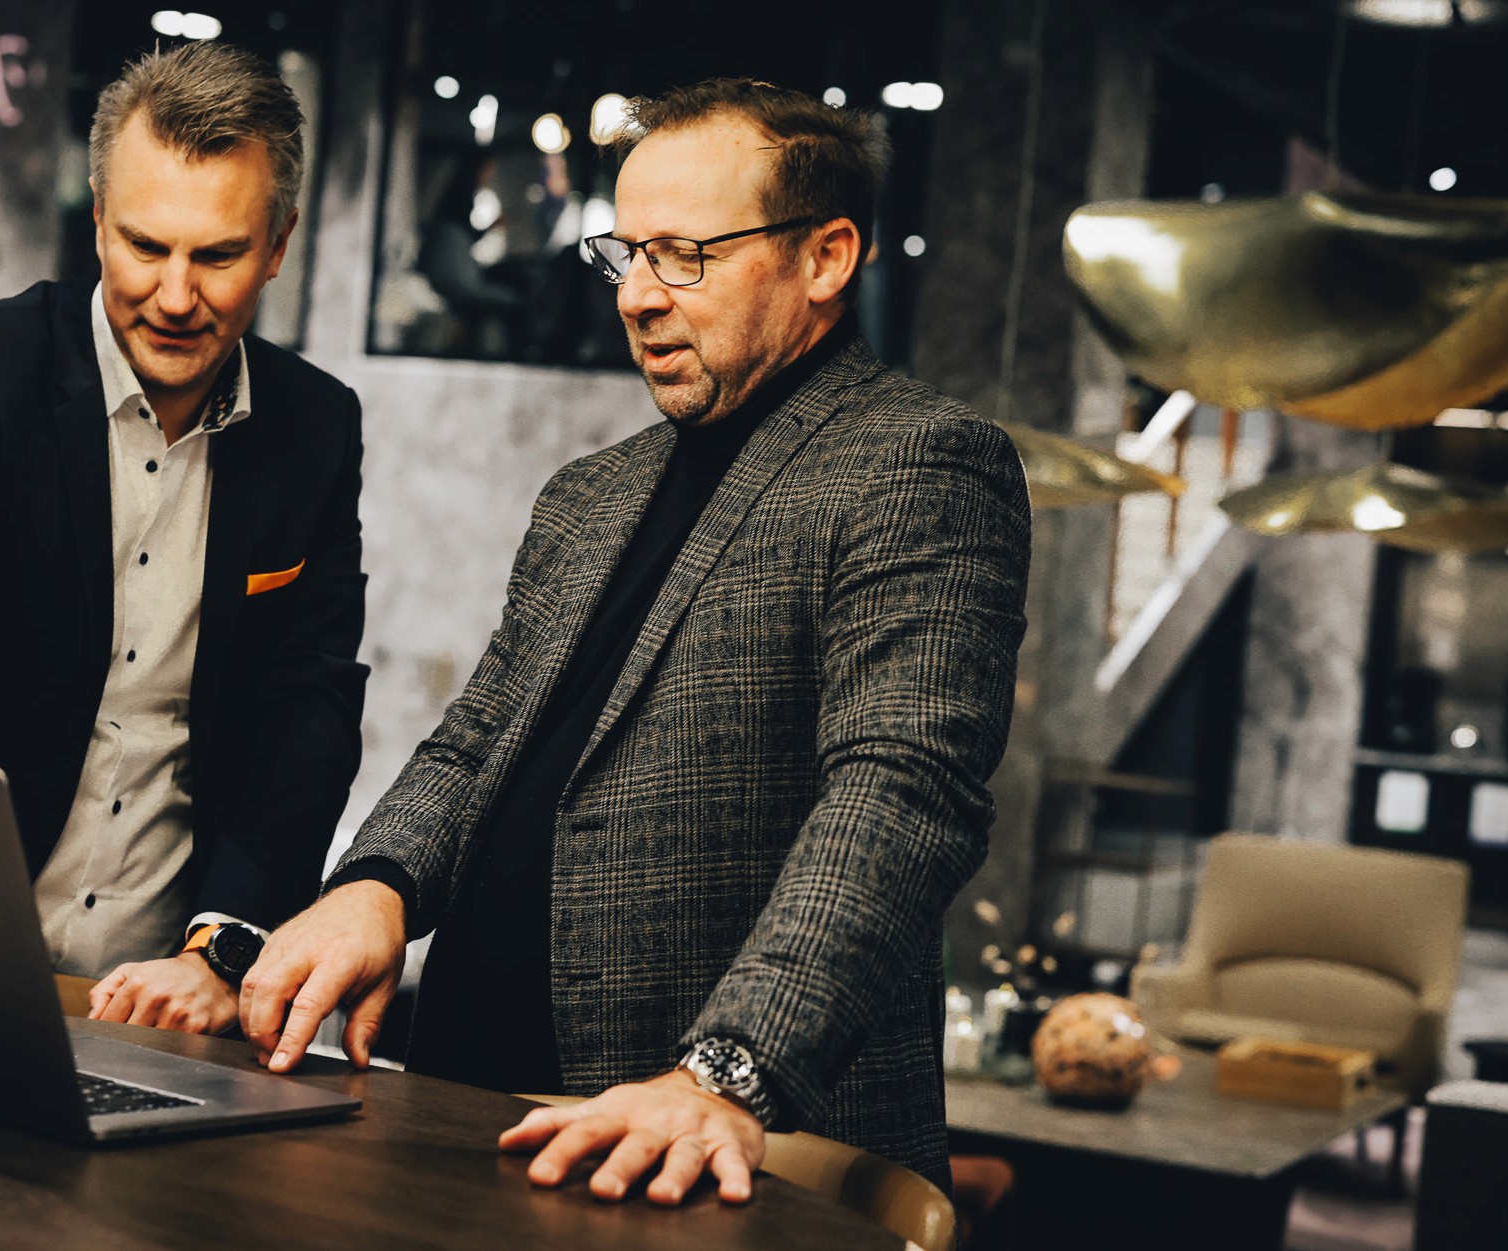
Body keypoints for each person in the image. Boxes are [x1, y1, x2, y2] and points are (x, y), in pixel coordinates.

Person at [238, 78, 1028, 1203]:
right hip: (478, 1111)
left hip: (714, 1151)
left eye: (682, 256)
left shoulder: (920, 464)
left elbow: (900, 794)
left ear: (826, 257)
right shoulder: (587, 495)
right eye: (623, 256)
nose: (638, 298)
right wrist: (377, 886)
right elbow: (476, 743)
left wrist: (723, 1075)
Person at [0, 41, 364, 1036]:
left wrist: (225, 942)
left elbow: (308, 701)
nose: (172, 295)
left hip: (144, 1004)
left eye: (216, 256)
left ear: (278, 243)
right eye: (142, 246)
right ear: (96, 220)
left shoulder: (316, 428)